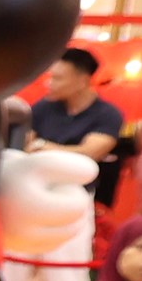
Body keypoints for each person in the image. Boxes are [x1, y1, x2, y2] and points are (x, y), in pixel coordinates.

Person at [24, 48, 128, 211]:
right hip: (36, 189)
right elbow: (25, 146)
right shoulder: (42, 107)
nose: (49, 83)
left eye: (57, 79)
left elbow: (90, 153)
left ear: (83, 81)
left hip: (77, 195)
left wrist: (42, 146)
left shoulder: (108, 114)